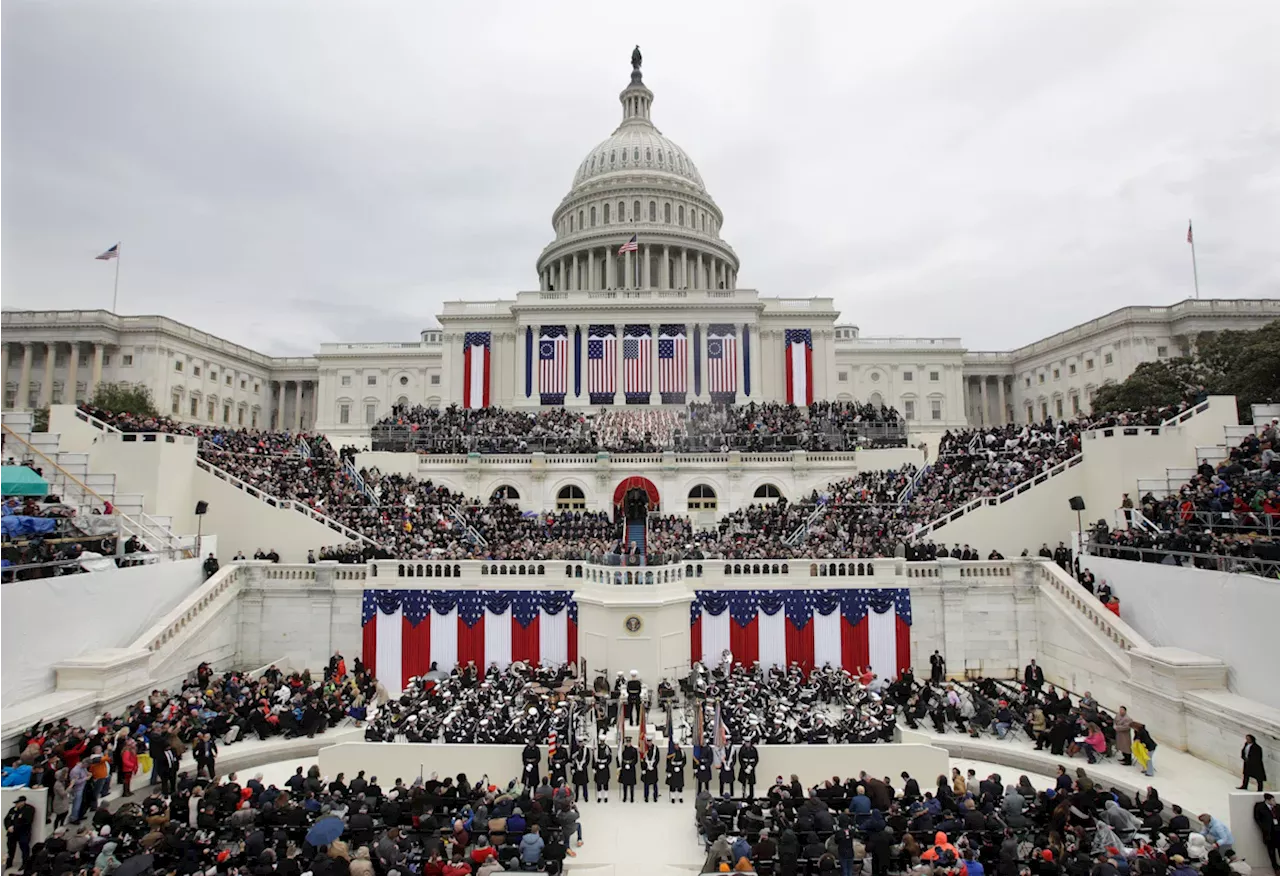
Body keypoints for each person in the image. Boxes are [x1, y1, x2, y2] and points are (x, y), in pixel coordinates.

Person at [4, 796, 34, 871]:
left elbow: (27, 822)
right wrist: (8, 827)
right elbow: (6, 819)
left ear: (23, 802)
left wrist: (14, 827)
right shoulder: (13, 809)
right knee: (10, 848)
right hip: (12, 833)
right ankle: (9, 863)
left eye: (18, 803)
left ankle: (25, 864)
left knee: (24, 849)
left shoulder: (29, 809)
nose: (16, 804)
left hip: (23, 832)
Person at [1252, 793, 1278, 872]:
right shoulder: (1260, 807)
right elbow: (1257, 818)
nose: (1274, 802)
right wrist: (1264, 828)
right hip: (1269, 834)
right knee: (1271, 851)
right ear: (1267, 800)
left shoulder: (1278, 807)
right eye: (1273, 800)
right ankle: (1276, 867)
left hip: (1278, 832)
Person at [617, 737, 638, 803]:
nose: (628, 743)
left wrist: (630, 765)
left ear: (631, 742)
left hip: (631, 768)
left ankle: (632, 797)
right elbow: (619, 758)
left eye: (629, 742)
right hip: (624, 768)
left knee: (631, 784)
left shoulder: (634, 750)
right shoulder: (623, 749)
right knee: (624, 784)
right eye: (627, 742)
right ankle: (625, 797)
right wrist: (622, 765)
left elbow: (636, 759)